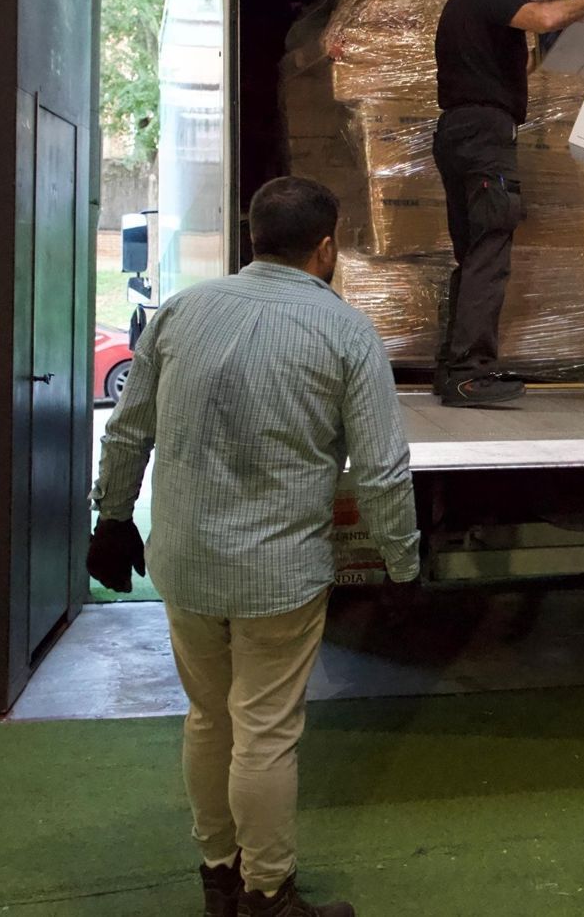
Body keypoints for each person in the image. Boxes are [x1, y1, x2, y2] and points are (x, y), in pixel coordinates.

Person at [89, 177, 421, 917]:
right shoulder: (345, 331)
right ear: (327, 248)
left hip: (185, 562)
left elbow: (128, 427)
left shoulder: (180, 311)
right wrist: (401, 561)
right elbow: (379, 468)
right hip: (279, 571)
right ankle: (269, 894)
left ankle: (219, 877)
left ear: (251, 239)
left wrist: (111, 518)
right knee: (265, 732)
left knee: (209, 719)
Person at [431, 0, 584, 407]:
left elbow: (517, 58)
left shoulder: (462, 9)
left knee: (473, 252)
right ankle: (471, 372)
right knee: (490, 249)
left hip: (458, 135)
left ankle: (454, 369)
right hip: (484, 137)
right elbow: (541, 18)